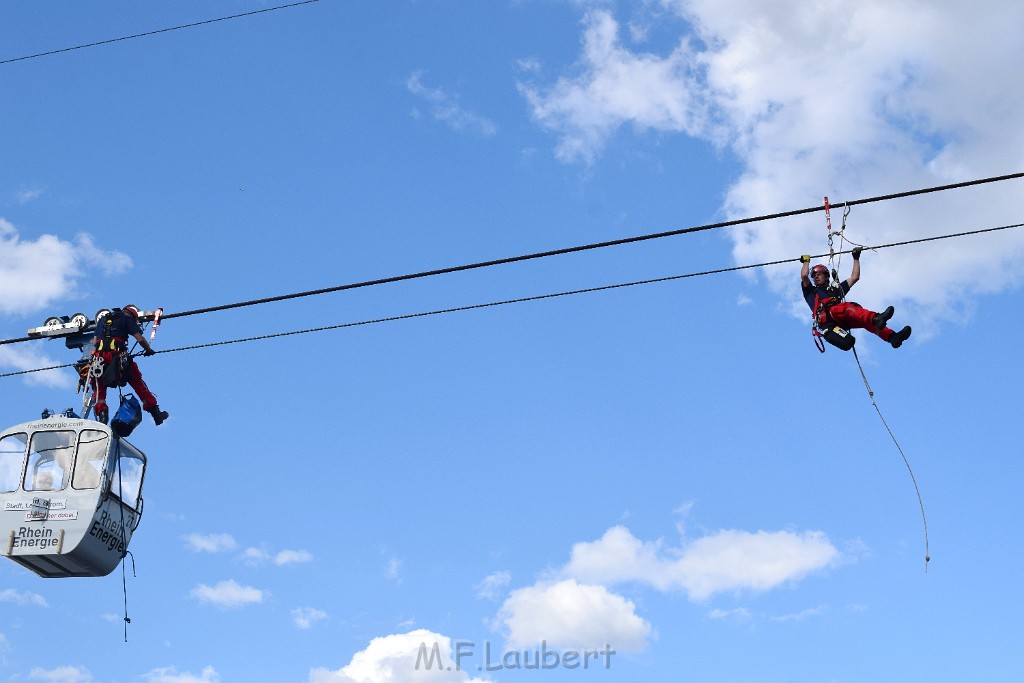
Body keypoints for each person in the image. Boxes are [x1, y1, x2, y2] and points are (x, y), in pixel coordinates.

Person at [801, 247, 912, 348]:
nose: (816, 277)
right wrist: (806, 262)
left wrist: (856, 258)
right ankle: (876, 317)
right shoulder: (811, 292)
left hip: (840, 321)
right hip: (828, 320)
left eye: (819, 274)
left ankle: (892, 337)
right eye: (814, 276)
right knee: (847, 308)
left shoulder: (835, 290)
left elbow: (855, 277)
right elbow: (804, 276)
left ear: (826, 276)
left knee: (864, 321)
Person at [91, 305, 169, 426]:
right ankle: (156, 413)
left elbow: (95, 342)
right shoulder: (126, 318)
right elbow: (140, 339)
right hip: (117, 355)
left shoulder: (103, 319)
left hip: (99, 357)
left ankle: (102, 415)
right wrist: (148, 350)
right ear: (132, 316)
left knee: (98, 385)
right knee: (136, 380)